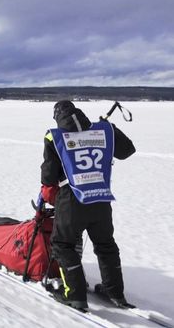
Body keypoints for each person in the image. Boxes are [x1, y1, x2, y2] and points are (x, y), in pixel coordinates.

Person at [39, 100, 136, 310]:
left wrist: (48, 192)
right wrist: (109, 130)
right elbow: (127, 150)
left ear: (57, 117)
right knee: (105, 244)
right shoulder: (104, 130)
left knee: (63, 244)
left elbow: (48, 175)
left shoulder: (54, 136)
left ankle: (75, 295)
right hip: (101, 198)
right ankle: (115, 292)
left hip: (72, 198)